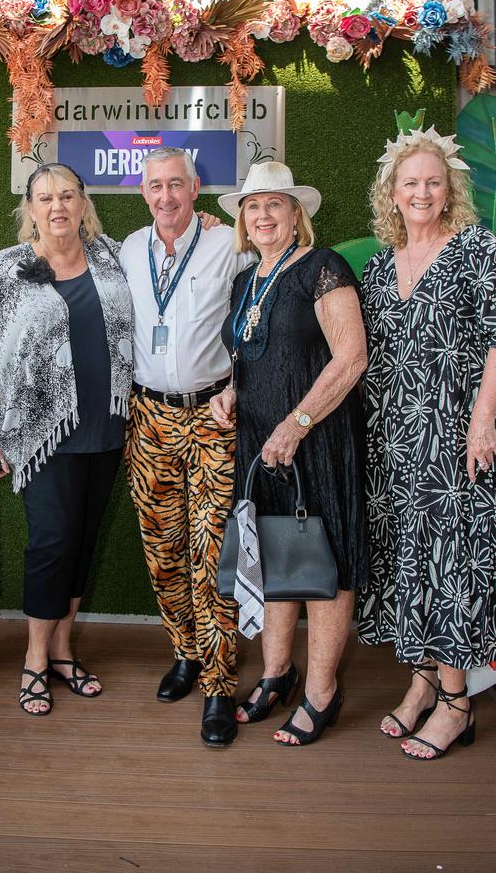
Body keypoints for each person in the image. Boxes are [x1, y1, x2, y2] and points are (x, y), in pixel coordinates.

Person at [0, 163, 133, 716]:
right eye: (44, 198)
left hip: (107, 430)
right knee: (51, 543)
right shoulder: (10, 269)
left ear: (83, 202)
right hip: (41, 436)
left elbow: (164, 256)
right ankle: (35, 659)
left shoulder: (109, 256)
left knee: (83, 543)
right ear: (30, 209)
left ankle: (62, 651)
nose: (57, 206)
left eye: (66, 195)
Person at [211, 160, 368, 746]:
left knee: (323, 562)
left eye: (275, 204)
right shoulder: (246, 279)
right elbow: (251, 357)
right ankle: (277, 673)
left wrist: (298, 423)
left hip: (317, 439)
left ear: (295, 213)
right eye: (254, 206)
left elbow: (351, 357)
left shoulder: (323, 268)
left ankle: (322, 691)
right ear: (244, 221)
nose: (264, 215)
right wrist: (230, 394)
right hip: (259, 440)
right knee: (273, 555)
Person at [357, 125, 496, 760]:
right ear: (391, 193)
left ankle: (458, 703)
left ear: (449, 191)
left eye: (432, 182)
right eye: (409, 182)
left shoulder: (476, 249)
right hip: (394, 439)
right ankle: (421, 681)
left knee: (452, 562)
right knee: (407, 557)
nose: (421, 192)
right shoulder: (380, 266)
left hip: (455, 437)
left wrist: (483, 421)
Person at [120, 146, 255, 747]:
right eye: (156, 186)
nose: (166, 196)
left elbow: (262, 314)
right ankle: (187, 651)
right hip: (147, 417)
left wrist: (242, 388)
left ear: (195, 187)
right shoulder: (128, 250)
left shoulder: (231, 244)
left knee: (211, 552)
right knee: (163, 548)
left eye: (176, 184)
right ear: (143, 192)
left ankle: (221, 684)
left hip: (211, 417)